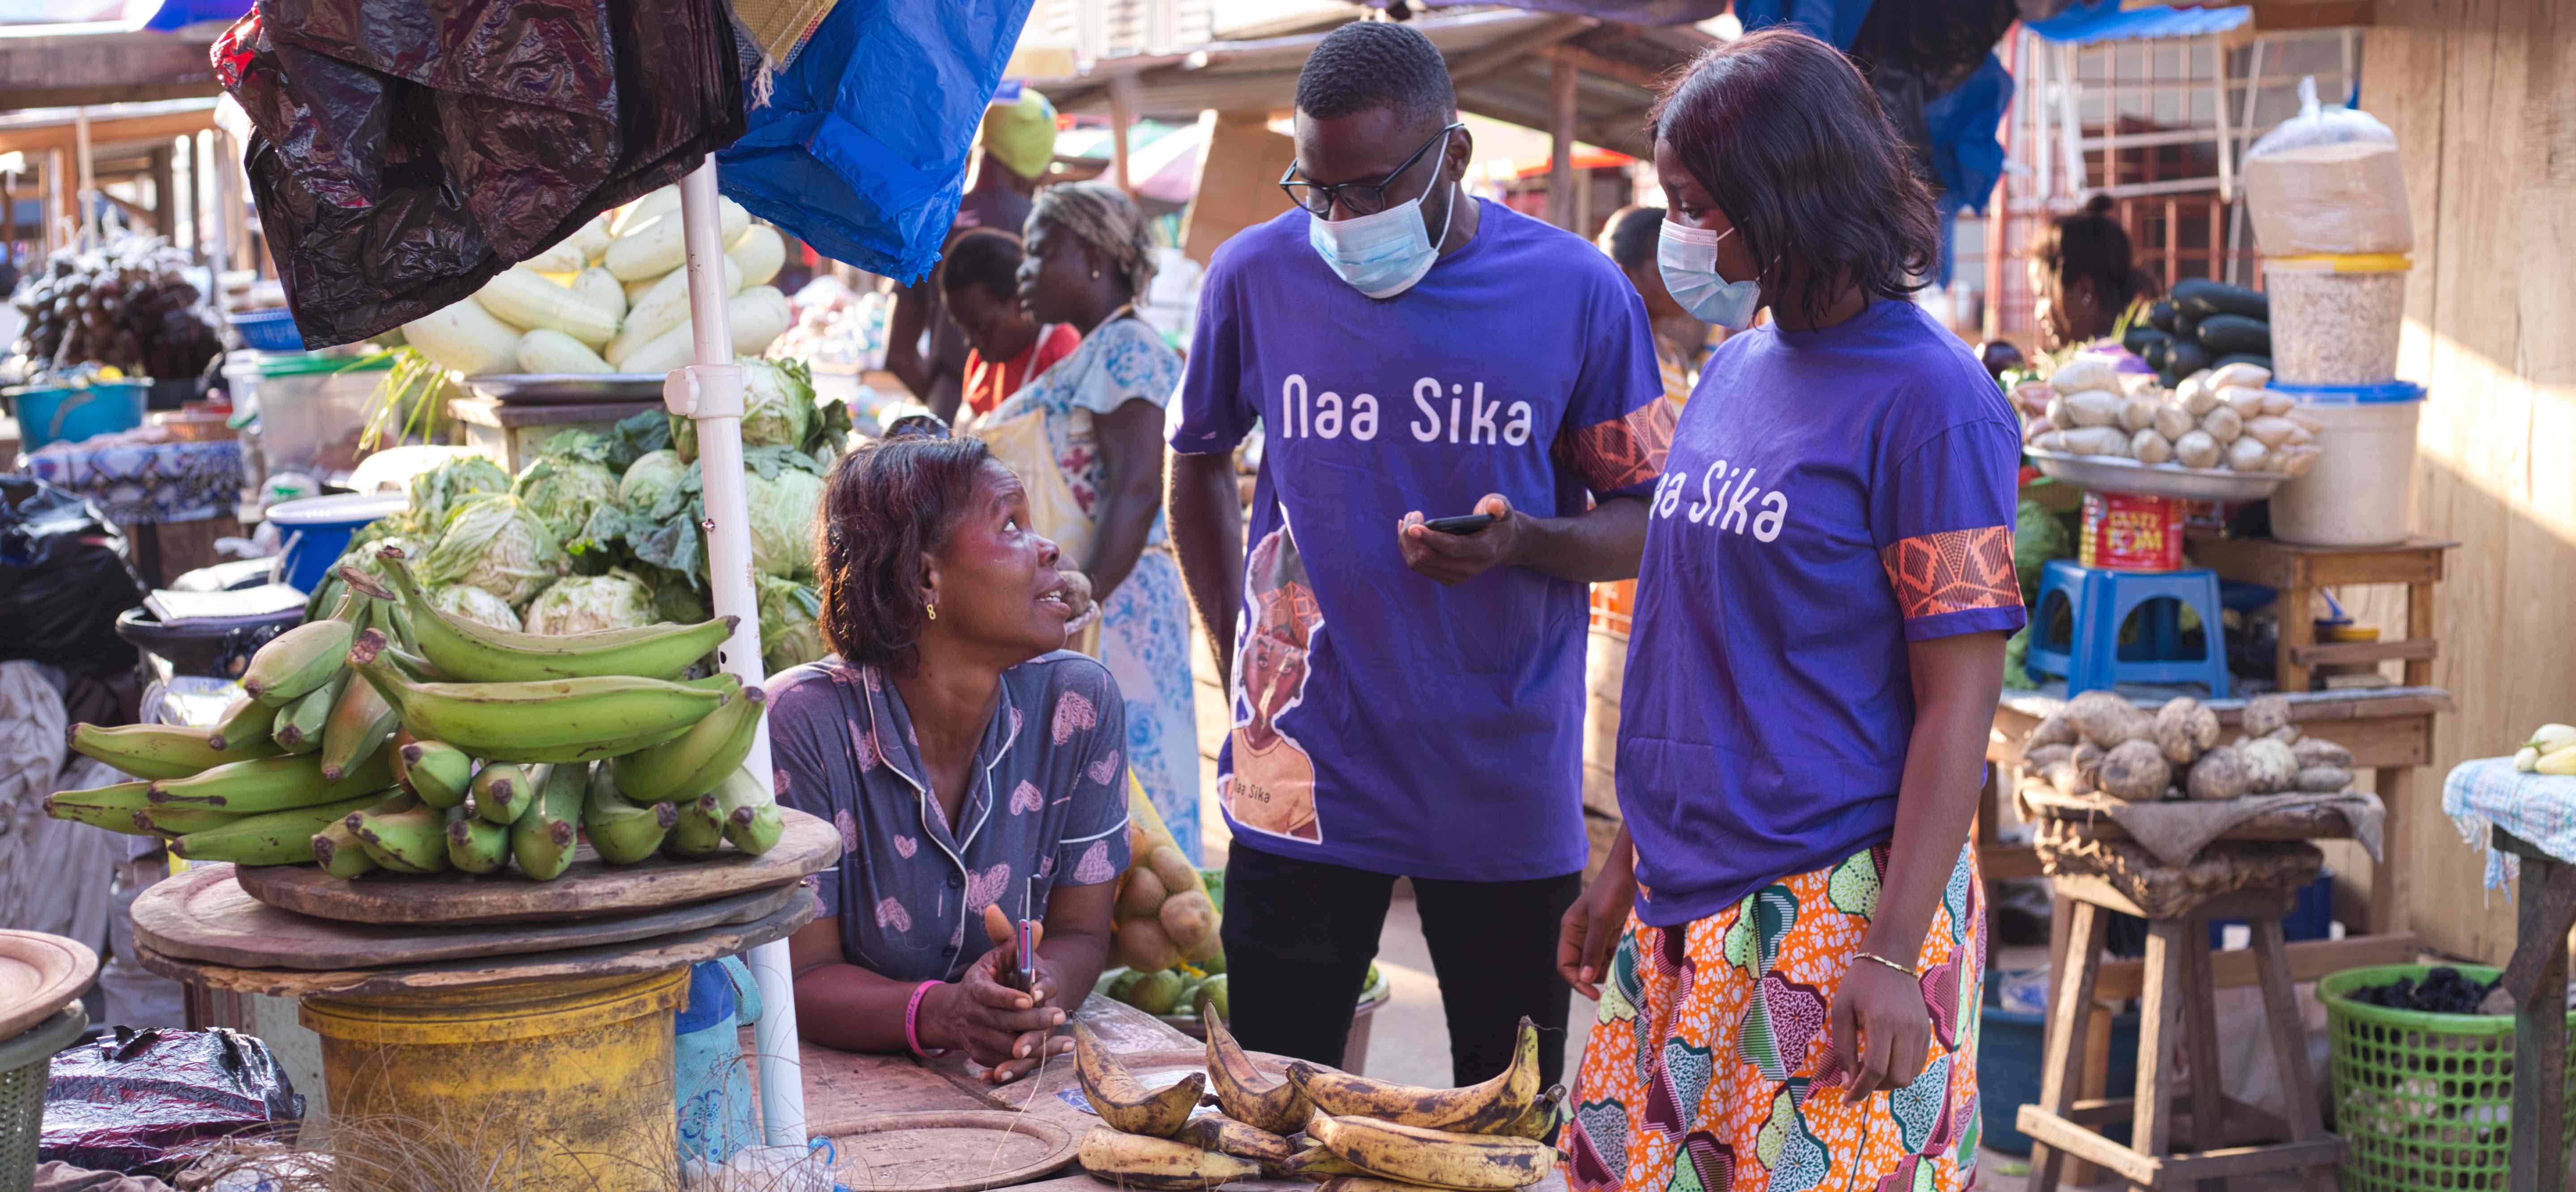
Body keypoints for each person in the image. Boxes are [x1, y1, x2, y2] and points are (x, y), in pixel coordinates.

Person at [1552, 30, 2022, 1192]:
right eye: (1675, 203)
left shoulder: (1935, 404)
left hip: (1829, 908)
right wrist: (1623, 865)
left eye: (1700, 204)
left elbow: (1958, 705)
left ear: (1790, 196)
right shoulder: (1732, 368)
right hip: (1679, 903)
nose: (1683, 237)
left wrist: (1894, 952)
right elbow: (1685, 647)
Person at [1167, 20, 1671, 1090]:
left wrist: (1522, 541)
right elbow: (1196, 458)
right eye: (1316, 189)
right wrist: (1236, 648)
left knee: (1502, 1115)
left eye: (1367, 189)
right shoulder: (1255, 274)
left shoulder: (1578, 292)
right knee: (1268, 1112)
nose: (1340, 221)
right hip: (1295, 773)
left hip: (1497, 781)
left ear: (1452, 154)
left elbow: (1643, 512)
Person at [773, 423, 1124, 1086]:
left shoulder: (1079, 704)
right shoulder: (804, 723)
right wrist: (945, 1012)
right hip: (833, 1090)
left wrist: (1030, 994)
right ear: (925, 577)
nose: (1048, 547)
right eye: (1011, 526)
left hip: (1007, 1086)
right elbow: (799, 973)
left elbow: (1083, 934)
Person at [981, 180, 1202, 863]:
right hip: (1095, 603)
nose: (1024, 270)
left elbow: (1137, 489)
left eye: (1042, 251)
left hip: (1119, 610)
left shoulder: (1128, 347)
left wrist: (1083, 597)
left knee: (1137, 808)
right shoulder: (1093, 351)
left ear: (1094, 257)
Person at [886, 90, 1058, 421]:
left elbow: (899, 355)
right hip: (1029, 423)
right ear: (1035, 156)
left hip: (950, 411)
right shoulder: (1046, 231)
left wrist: (948, 405)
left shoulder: (931, 221)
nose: (1049, 173)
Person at [940, 230, 1080, 428]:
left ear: (1020, 301)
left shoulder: (1063, 361)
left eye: (979, 327)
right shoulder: (982, 362)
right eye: (963, 329)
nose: (971, 341)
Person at [1598, 205, 1714, 407]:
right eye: (1668, 270)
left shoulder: (1674, 355)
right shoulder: (1617, 353)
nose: (1682, 282)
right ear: (1627, 275)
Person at [2030, 193, 2155, 353]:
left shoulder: (2114, 364)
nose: (2038, 314)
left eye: (2044, 296)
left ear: (2085, 291)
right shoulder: (2144, 348)